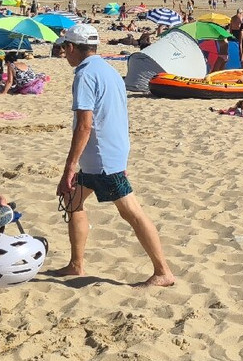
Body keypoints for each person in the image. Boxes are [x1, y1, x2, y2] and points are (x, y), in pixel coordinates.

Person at [53, 24, 174, 287]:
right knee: (74, 203)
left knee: (131, 212)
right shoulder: (108, 70)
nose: (64, 53)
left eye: (65, 48)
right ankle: (76, 264)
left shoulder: (84, 75)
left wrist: (68, 169)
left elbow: (85, 126)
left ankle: (163, 271)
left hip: (101, 159)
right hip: (106, 154)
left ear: (72, 48)